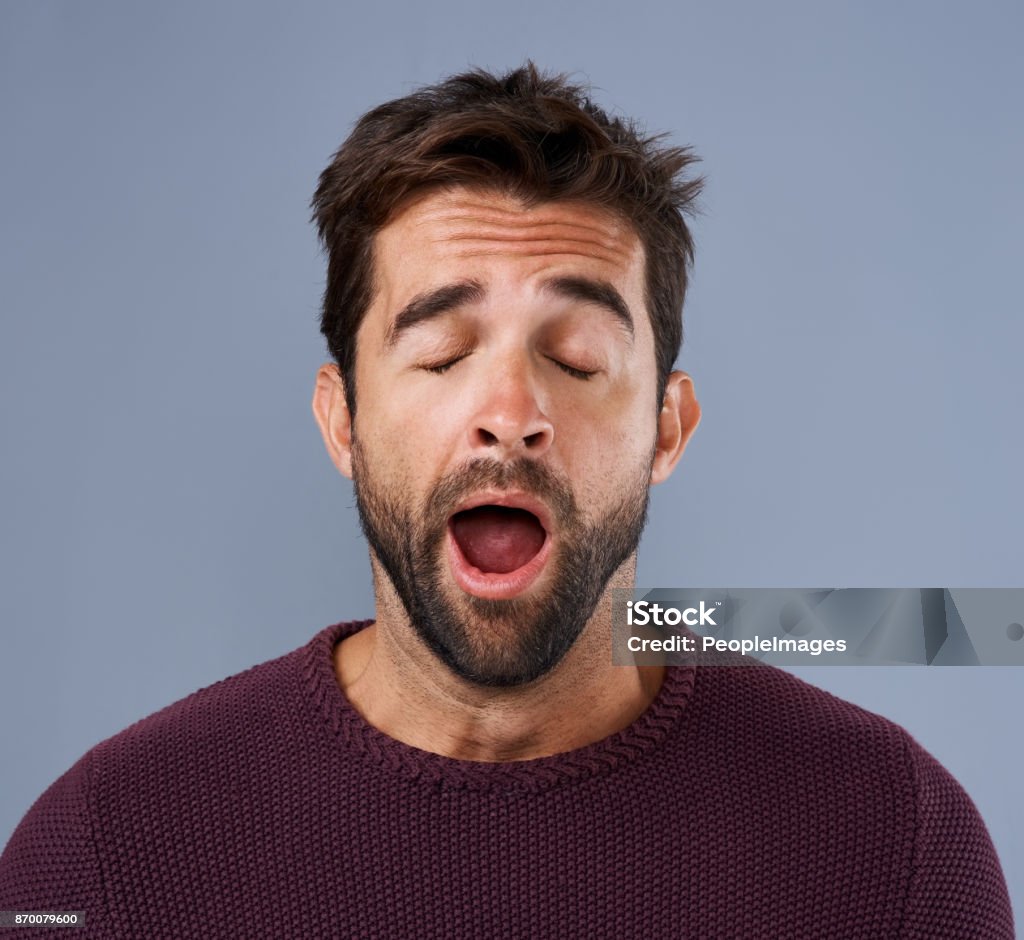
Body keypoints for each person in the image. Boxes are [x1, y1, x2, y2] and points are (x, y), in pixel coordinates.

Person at [0, 63, 1013, 939]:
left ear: (667, 429)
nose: (511, 414)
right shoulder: (100, 857)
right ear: (341, 419)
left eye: (576, 360)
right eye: (440, 354)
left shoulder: (895, 846)